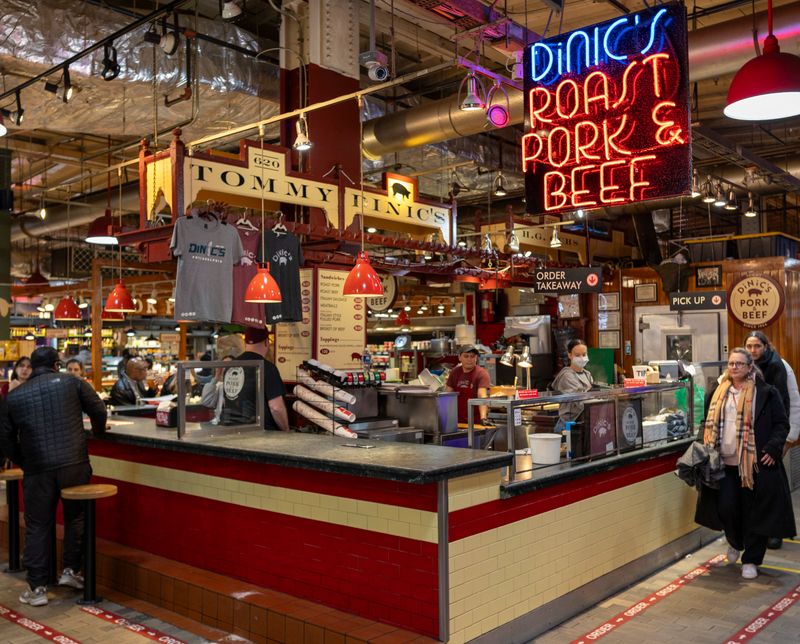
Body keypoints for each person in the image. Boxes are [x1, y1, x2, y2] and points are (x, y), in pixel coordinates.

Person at [0, 346, 107, 606]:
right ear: (56, 365)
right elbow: (99, 410)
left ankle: (37, 589)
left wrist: (24, 460)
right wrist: (98, 434)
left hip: (37, 469)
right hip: (74, 464)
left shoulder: (14, 397)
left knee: (38, 525)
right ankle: (71, 570)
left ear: (32, 368)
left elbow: (3, 439)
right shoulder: (73, 382)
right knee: (76, 516)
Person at [696, 348, 795, 580]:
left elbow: (781, 424)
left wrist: (772, 447)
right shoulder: (718, 392)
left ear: (750, 367)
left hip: (753, 465)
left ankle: (751, 558)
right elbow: (705, 422)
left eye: (740, 363)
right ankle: (735, 542)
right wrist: (703, 443)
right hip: (723, 464)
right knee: (726, 508)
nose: (735, 367)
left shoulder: (766, 393)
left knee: (755, 513)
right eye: (731, 363)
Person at [744, 330, 797, 549]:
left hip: (775, 434)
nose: (753, 350)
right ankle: (760, 530)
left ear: (767, 346)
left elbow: (791, 402)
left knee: (775, 485)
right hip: (751, 436)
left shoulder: (780, 367)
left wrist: (787, 438)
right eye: (749, 346)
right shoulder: (743, 366)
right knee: (759, 488)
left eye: (757, 346)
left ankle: (776, 531)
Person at [220, 328, 289, 431]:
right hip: (260, 435)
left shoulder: (231, 367)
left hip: (231, 432)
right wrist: (286, 430)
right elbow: (276, 408)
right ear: (266, 342)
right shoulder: (267, 367)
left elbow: (227, 401)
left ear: (245, 342)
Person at [551, 339, 594, 428]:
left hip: (583, 422)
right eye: (577, 355)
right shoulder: (567, 375)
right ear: (569, 355)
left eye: (584, 354)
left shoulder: (587, 374)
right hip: (569, 425)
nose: (582, 358)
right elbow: (579, 401)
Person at [445, 345, 491, 426]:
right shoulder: (454, 372)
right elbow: (447, 395)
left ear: (476, 358)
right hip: (456, 422)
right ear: (459, 358)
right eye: (466, 356)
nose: (469, 359)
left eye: (472, 356)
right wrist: (444, 417)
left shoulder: (481, 373)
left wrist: (483, 418)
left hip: (475, 423)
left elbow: (482, 396)